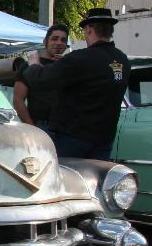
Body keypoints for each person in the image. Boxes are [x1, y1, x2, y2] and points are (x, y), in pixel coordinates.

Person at [37, 8, 130, 160]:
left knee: (66, 173)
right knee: (96, 174)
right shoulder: (122, 59)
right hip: (104, 137)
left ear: (89, 29)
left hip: (73, 137)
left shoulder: (80, 58)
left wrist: (34, 65)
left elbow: (42, 80)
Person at [13, 24, 69, 131]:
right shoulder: (29, 65)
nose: (59, 43)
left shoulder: (68, 66)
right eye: (54, 38)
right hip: (41, 125)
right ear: (45, 42)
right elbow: (18, 100)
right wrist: (32, 128)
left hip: (66, 128)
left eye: (63, 40)